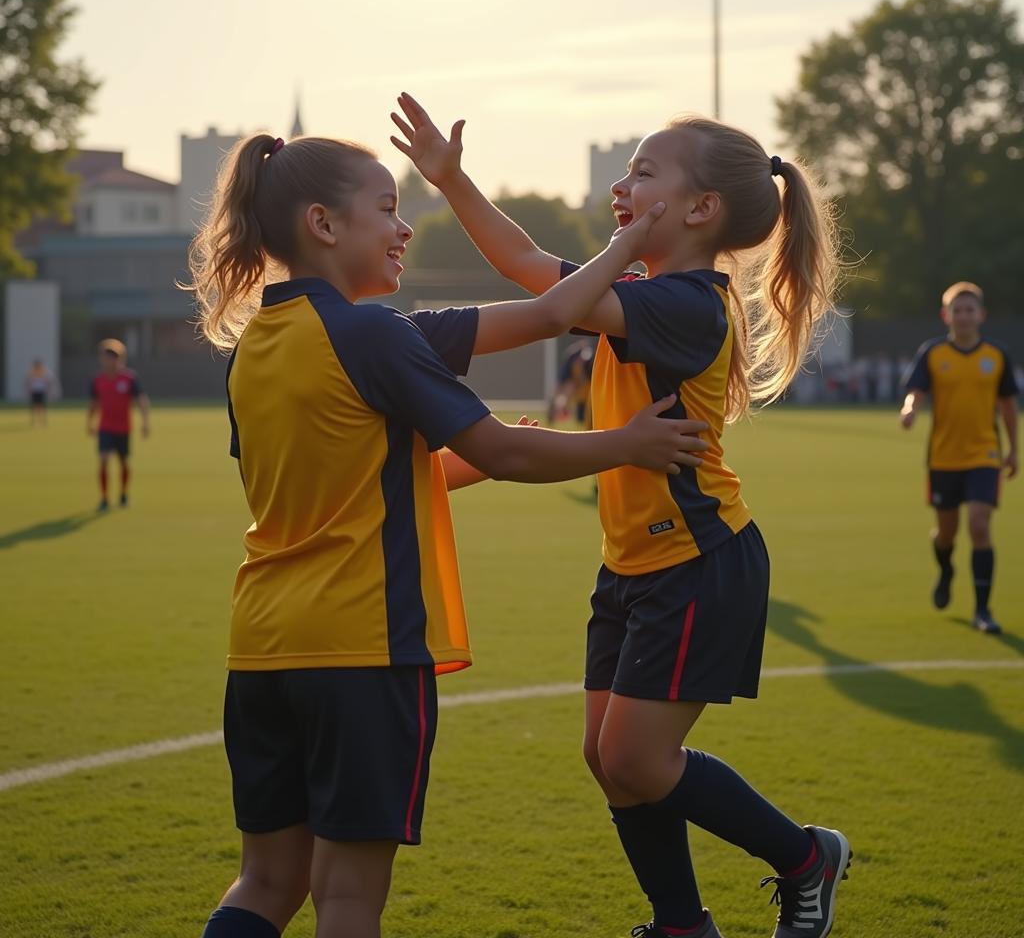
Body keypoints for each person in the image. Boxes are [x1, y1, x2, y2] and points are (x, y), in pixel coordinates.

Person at [186, 132, 710, 938]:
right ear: (324, 225)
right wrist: (623, 445)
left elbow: (352, 478)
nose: (404, 229)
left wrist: (607, 246)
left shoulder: (252, 348)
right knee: (349, 898)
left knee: (264, 882)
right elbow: (498, 447)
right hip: (362, 651)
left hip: (260, 650)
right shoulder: (376, 335)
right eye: (389, 210)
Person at [390, 93, 849, 938]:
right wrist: (453, 183)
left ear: (702, 209)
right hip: (634, 562)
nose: (621, 185)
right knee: (609, 761)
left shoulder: (685, 303)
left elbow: (556, 305)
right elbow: (527, 261)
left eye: (644, 173)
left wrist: (615, 248)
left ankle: (805, 858)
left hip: (700, 559)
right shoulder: (644, 290)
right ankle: (682, 924)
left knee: (635, 757)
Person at [900, 281, 1019, 634]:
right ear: (945, 315)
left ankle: (983, 610)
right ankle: (946, 568)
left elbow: (1008, 406)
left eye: (970, 310)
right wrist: (909, 410)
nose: (964, 316)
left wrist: (1014, 449)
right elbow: (915, 391)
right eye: (957, 310)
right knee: (946, 533)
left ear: (981, 315)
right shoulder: (933, 353)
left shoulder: (996, 356)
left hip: (984, 453)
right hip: (944, 458)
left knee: (980, 525)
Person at [86, 339, 150, 511]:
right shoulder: (98, 380)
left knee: (123, 462)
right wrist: (89, 422)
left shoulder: (129, 378)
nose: (110, 361)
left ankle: (123, 494)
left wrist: (145, 422)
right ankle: (104, 498)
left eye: (114, 357)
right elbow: (94, 403)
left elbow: (141, 400)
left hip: (123, 428)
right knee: (104, 460)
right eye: (107, 357)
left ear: (120, 359)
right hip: (105, 427)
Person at [548, 338, 595, 427]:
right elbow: (579, 364)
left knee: (563, 397)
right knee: (564, 398)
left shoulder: (573, 351)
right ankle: (557, 412)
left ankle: (556, 413)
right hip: (570, 377)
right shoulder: (583, 352)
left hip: (567, 376)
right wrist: (581, 379)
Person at [25, 358, 59, 426]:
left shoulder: (44, 371)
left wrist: (49, 390)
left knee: (42, 407)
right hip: (35, 391)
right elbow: (28, 382)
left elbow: (49, 381)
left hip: (42, 391)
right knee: (34, 407)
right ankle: (33, 421)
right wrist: (28, 390)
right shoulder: (32, 372)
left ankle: (43, 421)